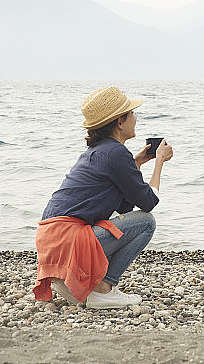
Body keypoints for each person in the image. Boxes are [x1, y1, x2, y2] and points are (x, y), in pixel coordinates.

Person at [32, 86, 173, 308]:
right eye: (132, 114)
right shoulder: (116, 153)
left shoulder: (97, 153)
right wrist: (159, 163)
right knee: (147, 223)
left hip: (52, 242)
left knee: (130, 221)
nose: (135, 119)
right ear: (120, 122)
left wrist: (135, 165)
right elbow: (148, 203)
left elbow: (124, 207)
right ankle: (104, 289)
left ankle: (71, 280)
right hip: (69, 241)